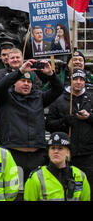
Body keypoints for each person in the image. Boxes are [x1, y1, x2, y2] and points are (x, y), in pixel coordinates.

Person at [0, 58, 64, 183]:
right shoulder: (5, 98)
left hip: (37, 155)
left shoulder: (39, 97)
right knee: (14, 192)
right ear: (14, 83)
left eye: (29, 81)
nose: (26, 84)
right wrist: (19, 71)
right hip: (13, 154)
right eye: (22, 80)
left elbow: (58, 89)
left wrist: (50, 74)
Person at [46, 69, 93, 197]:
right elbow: (49, 124)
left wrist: (89, 117)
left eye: (81, 79)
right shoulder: (59, 100)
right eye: (75, 79)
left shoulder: (91, 98)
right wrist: (64, 121)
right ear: (70, 80)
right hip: (65, 153)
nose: (78, 82)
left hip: (87, 153)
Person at [24, 132, 90, 201]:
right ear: (48, 152)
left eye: (60, 148)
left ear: (68, 152)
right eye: (52, 148)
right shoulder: (36, 178)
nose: (56, 151)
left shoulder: (80, 176)